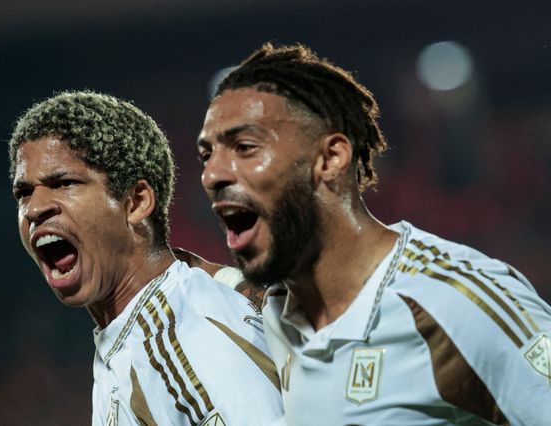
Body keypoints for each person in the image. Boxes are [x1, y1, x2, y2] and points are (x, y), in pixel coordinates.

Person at [197, 43, 551, 425]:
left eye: (245, 147)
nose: (211, 175)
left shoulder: (454, 303)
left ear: (330, 158)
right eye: (207, 155)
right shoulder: (273, 318)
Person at [9, 91, 283, 425]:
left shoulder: (182, 345)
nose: (34, 208)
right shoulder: (138, 333)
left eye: (64, 183)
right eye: (24, 192)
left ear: (136, 203)